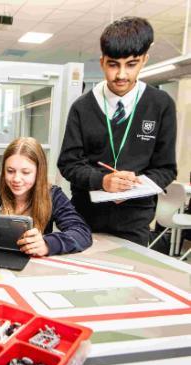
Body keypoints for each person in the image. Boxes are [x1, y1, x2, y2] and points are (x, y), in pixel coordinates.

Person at [57, 17, 177, 246]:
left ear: (144, 60)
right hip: (85, 220)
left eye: (131, 64)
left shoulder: (161, 105)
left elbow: (166, 169)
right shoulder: (82, 107)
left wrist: (134, 186)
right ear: (102, 62)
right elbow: (68, 164)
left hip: (135, 223)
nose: (121, 74)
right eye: (113, 64)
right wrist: (102, 181)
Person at [0, 137, 92, 256]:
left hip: (32, 265)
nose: (16, 179)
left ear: (39, 172)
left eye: (26, 172)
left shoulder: (52, 195)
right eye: (10, 171)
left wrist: (47, 244)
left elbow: (81, 233)